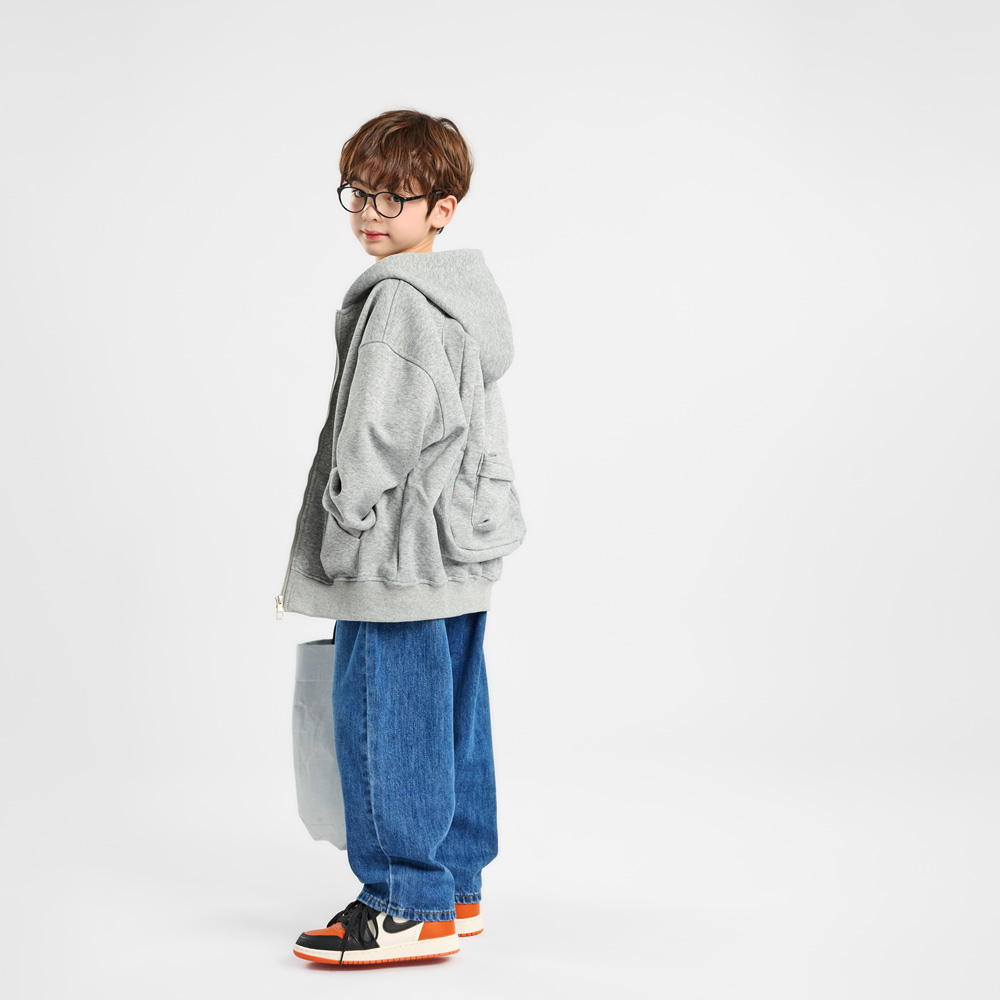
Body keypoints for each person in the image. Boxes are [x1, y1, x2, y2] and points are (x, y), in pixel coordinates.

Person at [277, 109, 527, 966]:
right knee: (449, 717)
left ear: (442, 208)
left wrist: (345, 523)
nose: (370, 213)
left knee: (386, 720)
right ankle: (454, 889)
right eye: (359, 192)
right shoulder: (462, 299)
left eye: (395, 197)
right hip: (454, 549)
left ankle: (402, 904)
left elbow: (375, 437)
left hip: (394, 555)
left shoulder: (397, 300)